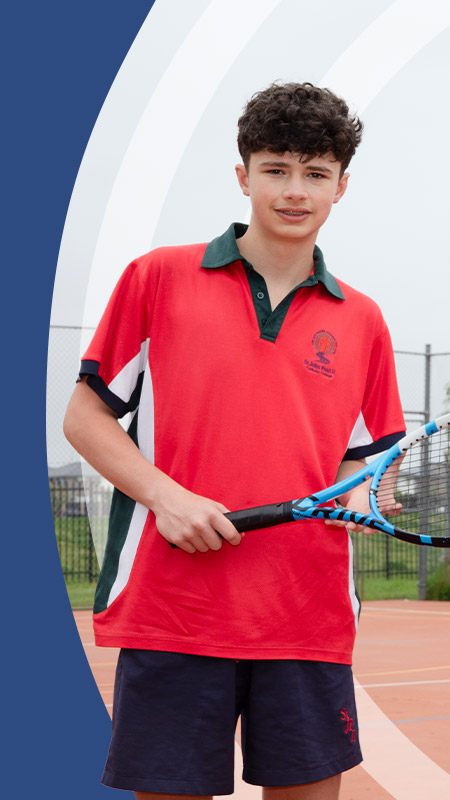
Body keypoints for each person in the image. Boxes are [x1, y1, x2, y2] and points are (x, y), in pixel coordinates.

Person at [64, 82, 405, 800]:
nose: (294, 190)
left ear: (342, 187)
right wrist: (167, 497)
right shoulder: (157, 278)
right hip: (173, 610)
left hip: (305, 614)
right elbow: (85, 419)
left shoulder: (366, 322)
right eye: (276, 168)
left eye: (315, 174)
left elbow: (363, 460)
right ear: (243, 174)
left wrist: (373, 486)